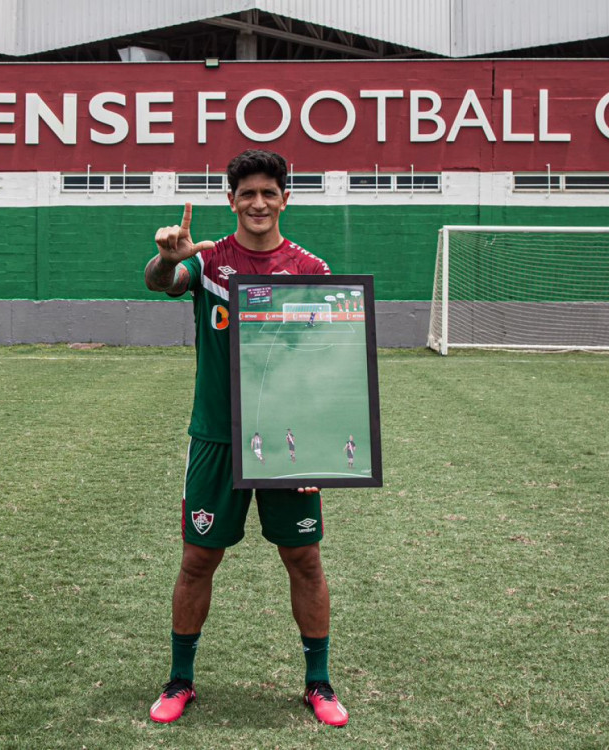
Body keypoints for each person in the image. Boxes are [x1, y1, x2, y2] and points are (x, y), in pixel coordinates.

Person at [144, 149, 348, 727]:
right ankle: (180, 681)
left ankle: (319, 684)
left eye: (269, 192)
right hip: (215, 437)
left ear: (285, 198)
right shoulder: (209, 261)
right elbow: (162, 282)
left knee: (304, 558)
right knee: (197, 559)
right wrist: (166, 259)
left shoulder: (310, 270)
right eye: (246, 193)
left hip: (286, 437)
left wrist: (318, 444)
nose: (258, 203)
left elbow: (326, 364)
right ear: (230, 200)